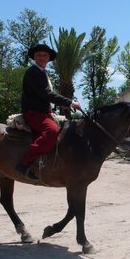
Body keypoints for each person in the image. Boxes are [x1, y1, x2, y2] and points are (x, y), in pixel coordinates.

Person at [16, 44, 81, 179]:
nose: (43, 57)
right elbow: (46, 94)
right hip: (34, 113)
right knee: (52, 131)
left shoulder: (43, 73)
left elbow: (47, 96)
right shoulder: (33, 72)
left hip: (45, 112)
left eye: (45, 55)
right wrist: (70, 102)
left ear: (49, 58)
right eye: (40, 54)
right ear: (34, 57)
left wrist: (62, 106)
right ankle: (25, 163)